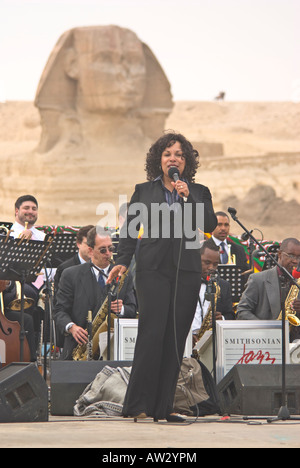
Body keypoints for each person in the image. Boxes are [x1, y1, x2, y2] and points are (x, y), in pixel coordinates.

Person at [107, 132, 217, 422]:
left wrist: (188, 195)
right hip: (152, 270)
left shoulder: (199, 191)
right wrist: (121, 262)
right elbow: (130, 231)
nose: (173, 159)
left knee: (175, 337)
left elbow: (208, 224)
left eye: (179, 155)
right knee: (152, 334)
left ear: (186, 161)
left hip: (187, 271)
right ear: (159, 159)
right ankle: (138, 405)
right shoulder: (144, 191)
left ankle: (164, 406)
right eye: (168, 154)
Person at [54, 227, 137, 360]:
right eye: (103, 250)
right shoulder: (70, 274)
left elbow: (133, 309)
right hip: (79, 347)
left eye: (111, 249)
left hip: (114, 349)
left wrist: (121, 309)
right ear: (90, 251)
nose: (108, 254)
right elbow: (59, 311)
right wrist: (72, 327)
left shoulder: (124, 275)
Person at [237, 238, 300, 341]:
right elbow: (242, 311)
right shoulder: (258, 279)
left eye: (299, 257)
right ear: (279, 254)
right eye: (291, 256)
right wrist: (266, 330)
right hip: (265, 342)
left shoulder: (298, 280)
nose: (295, 261)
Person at [192, 239, 235, 345]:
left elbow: (230, 314)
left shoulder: (223, 286)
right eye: (207, 263)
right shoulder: (183, 283)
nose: (211, 268)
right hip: (187, 339)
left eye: (215, 264)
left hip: (211, 341)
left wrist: (222, 319)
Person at [53, 225, 94, 295]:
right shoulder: (65, 268)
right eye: (88, 244)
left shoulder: (103, 265)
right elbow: (59, 300)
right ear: (78, 244)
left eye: (94, 244)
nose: (91, 248)